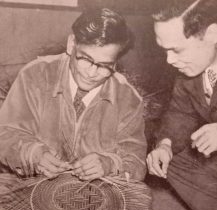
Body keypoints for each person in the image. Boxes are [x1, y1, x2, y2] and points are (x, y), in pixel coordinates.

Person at [0, 8, 147, 182]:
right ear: (71, 44)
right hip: (30, 185)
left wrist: (110, 164)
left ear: (116, 62)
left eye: (105, 65)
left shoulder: (128, 98)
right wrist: (33, 154)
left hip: (94, 195)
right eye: (85, 59)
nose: (92, 73)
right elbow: (6, 134)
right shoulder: (35, 75)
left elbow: (136, 161)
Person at [147, 0, 217, 210]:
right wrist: (164, 145)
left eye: (176, 50)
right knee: (172, 161)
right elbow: (180, 113)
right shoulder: (190, 74)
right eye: (164, 50)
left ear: (212, 34)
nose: (169, 60)